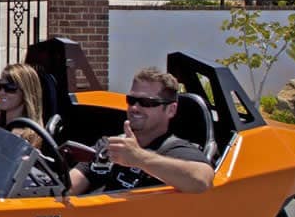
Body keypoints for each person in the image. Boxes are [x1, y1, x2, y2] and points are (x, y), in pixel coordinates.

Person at [68, 67, 214, 195]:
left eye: (147, 102)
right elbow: (68, 188)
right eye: (131, 100)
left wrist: (139, 158)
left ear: (171, 110)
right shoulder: (110, 144)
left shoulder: (176, 150)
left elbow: (201, 181)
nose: (134, 108)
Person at [0, 63, 44, 149]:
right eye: (0, 86)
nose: (2, 92)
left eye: (10, 87)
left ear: (26, 92)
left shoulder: (30, 137)